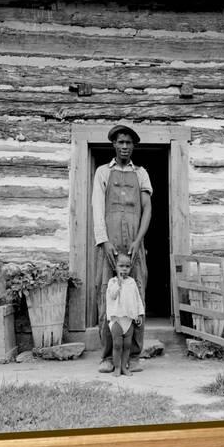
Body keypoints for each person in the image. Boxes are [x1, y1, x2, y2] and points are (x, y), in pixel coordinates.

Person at [92, 124, 152, 373]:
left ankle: (134, 356)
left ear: (134, 146)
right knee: (107, 295)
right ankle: (108, 357)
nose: (125, 146)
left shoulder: (141, 173)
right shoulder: (103, 172)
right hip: (109, 243)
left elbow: (147, 208)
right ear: (114, 145)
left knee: (136, 295)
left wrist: (139, 240)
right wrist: (103, 241)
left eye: (129, 142)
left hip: (134, 245)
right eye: (121, 142)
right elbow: (97, 207)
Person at [106, 253, 145, 377]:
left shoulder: (132, 282)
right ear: (115, 267)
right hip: (116, 319)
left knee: (127, 345)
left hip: (128, 319)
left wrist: (139, 314)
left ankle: (124, 366)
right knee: (117, 345)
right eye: (121, 266)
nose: (124, 269)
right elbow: (112, 295)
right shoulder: (112, 282)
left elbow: (137, 299)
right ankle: (117, 367)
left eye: (127, 266)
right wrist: (119, 282)